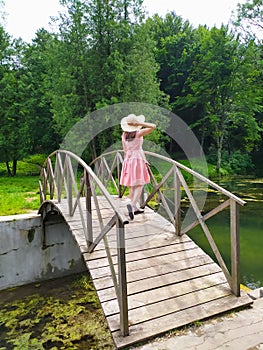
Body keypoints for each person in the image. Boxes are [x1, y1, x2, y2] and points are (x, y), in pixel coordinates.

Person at [120, 114, 156, 220]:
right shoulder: (138, 133)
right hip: (137, 159)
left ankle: (135, 208)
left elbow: (125, 150)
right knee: (140, 183)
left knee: (133, 183)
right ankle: (132, 204)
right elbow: (153, 126)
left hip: (128, 159)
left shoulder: (124, 135)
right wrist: (139, 124)